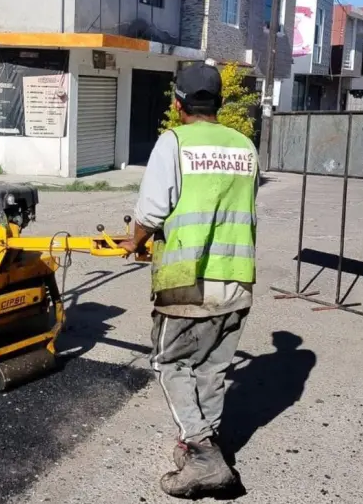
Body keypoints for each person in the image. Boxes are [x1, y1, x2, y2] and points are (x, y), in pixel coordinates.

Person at [120, 61, 260, 499]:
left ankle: (202, 454)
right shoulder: (244, 145)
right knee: (214, 368)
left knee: (170, 363)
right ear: (219, 102)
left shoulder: (173, 142)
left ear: (179, 103)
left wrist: (132, 241)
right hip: (237, 276)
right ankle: (203, 443)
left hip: (187, 276)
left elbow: (151, 212)